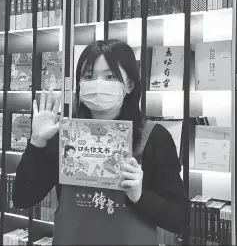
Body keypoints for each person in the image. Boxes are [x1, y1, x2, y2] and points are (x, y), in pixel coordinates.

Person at [13, 39, 188, 245]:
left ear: (129, 85)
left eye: (110, 76)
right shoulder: (67, 134)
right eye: (89, 76)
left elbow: (180, 219)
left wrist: (140, 196)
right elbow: (22, 199)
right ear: (79, 83)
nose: (97, 83)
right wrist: (37, 141)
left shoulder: (154, 136)